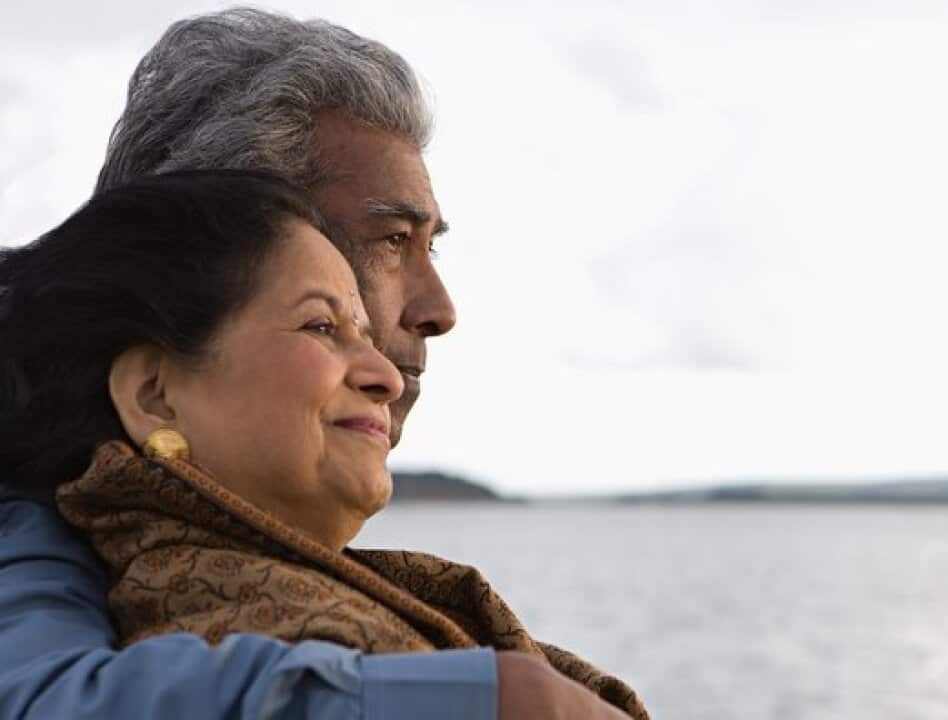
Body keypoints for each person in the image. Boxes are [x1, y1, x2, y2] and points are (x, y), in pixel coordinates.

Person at [0, 10, 635, 720]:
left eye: (432, 246)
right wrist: (492, 699)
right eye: (391, 240)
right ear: (207, 227)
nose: (440, 308)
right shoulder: (37, 524)